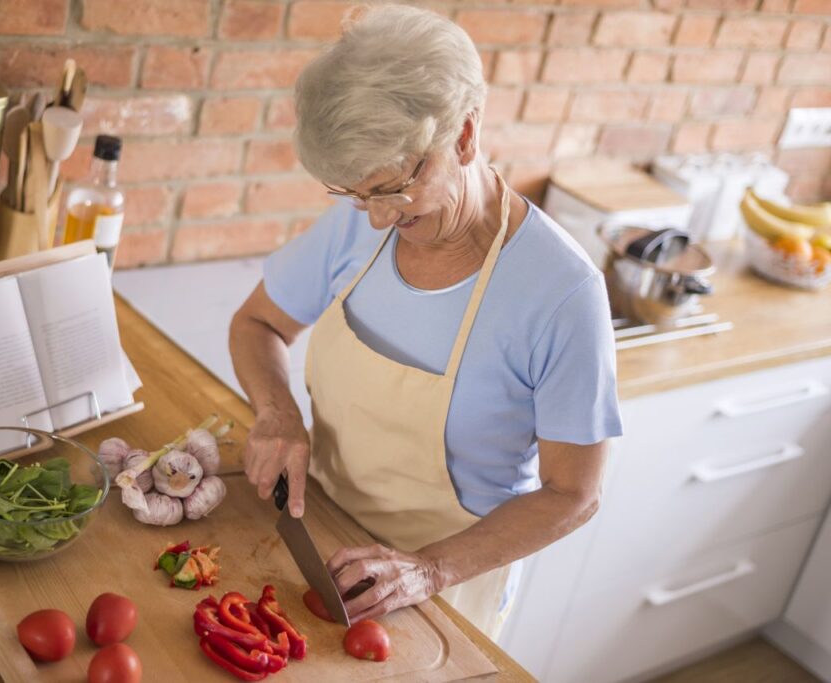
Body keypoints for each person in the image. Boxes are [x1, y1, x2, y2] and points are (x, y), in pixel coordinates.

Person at [228, 3, 622, 640]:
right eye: (356, 195)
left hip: (445, 590)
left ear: (464, 135)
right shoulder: (360, 220)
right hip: (320, 535)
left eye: (391, 191)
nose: (377, 219)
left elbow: (573, 494)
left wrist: (429, 571)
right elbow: (256, 325)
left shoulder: (562, 294)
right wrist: (277, 414)